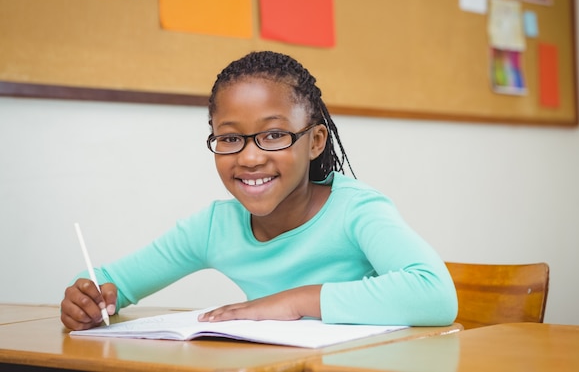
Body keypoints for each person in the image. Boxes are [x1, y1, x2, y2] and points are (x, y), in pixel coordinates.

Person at [60, 51, 458, 331]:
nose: (249, 158)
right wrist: (90, 299)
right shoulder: (217, 227)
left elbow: (435, 295)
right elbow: (110, 281)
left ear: (316, 141)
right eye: (230, 139)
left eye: (273, 134)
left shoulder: (355, 210)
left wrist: (294, 300)